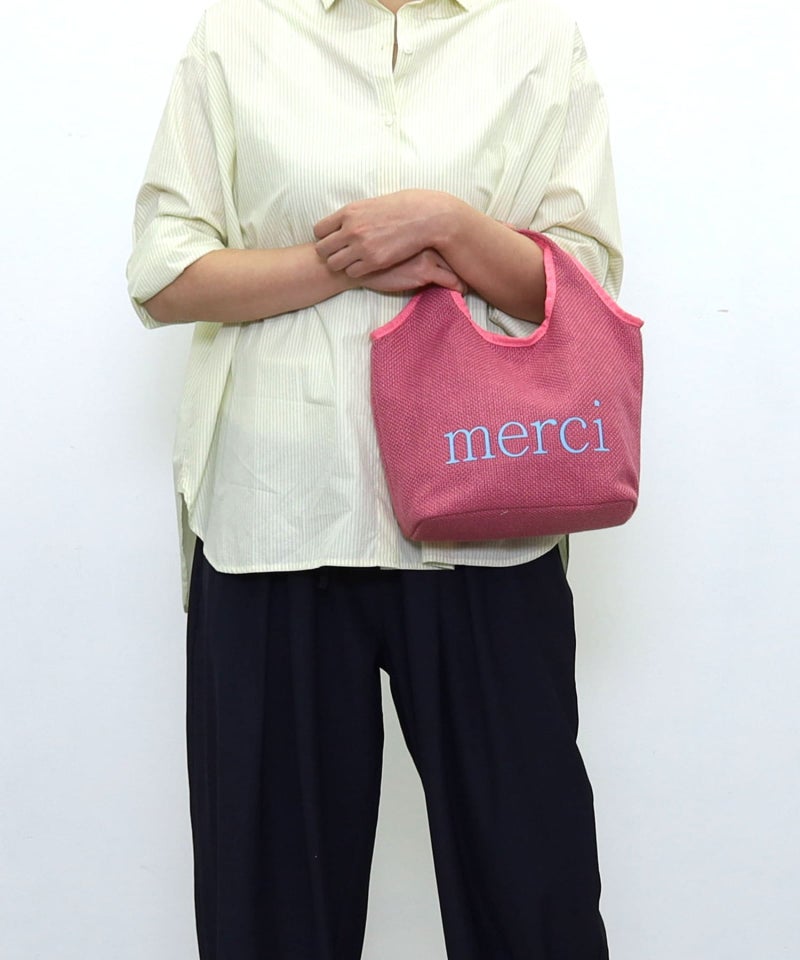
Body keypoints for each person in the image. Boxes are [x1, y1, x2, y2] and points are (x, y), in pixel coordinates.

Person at [126, 0, 624, 956]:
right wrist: (345, 263)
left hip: (489, 517)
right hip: (275, 515)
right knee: (270, 918)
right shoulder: (239, 32)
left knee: (536, 900)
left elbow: (583, 284)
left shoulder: (534, 38)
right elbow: (164, 271)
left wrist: (446, 224)